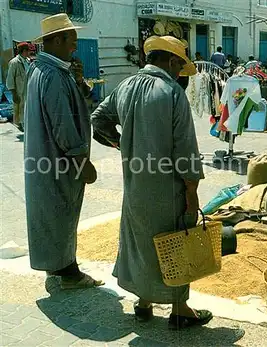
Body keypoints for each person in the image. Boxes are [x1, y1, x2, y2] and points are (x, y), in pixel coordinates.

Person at [91, 36, 211, 329]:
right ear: (171, 62)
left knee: (140, 241)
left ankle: (143, 303)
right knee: (174, 242)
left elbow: (97, 120)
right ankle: (180, 309)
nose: (180, 75)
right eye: (180, 68)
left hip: (135, 186)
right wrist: (192, 191)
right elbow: (185, 148)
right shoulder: (171, 92)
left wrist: (123, 144)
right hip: (168, 187)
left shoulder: (126, 87)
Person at [24, 13, 102, 289]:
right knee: (61, 212)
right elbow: (63, 125)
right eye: (71, 40)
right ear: (56, 40)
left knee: (50, 213)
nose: (75, 47)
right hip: (59, 162)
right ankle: (69, 272)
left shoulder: (45, 70)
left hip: (47, 160)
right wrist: (82, 161)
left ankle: (55, 264)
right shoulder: (53, 75)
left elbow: (77, 103)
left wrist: (79, 82)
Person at [6, 42, 30, 131]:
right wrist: (13, 93)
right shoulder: (14, 62)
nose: (29, 52)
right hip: (19, 91)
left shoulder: (27, 61)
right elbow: (10, 79)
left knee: (27, 110)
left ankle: (26, 126)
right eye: (27, 50)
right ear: (23, 51)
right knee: (20, 111)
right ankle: (22, 127)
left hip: (28, 90)